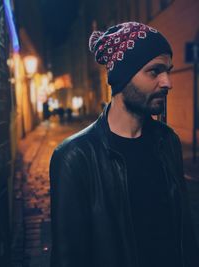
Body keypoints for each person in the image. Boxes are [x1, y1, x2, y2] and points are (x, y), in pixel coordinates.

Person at [49, 22, 199, 267]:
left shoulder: (167, 141)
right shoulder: (75, 157)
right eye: (154, 71)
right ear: (122, 77)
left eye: (168, 71)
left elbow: (185, 233)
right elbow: (69, 257)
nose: (167, 82)